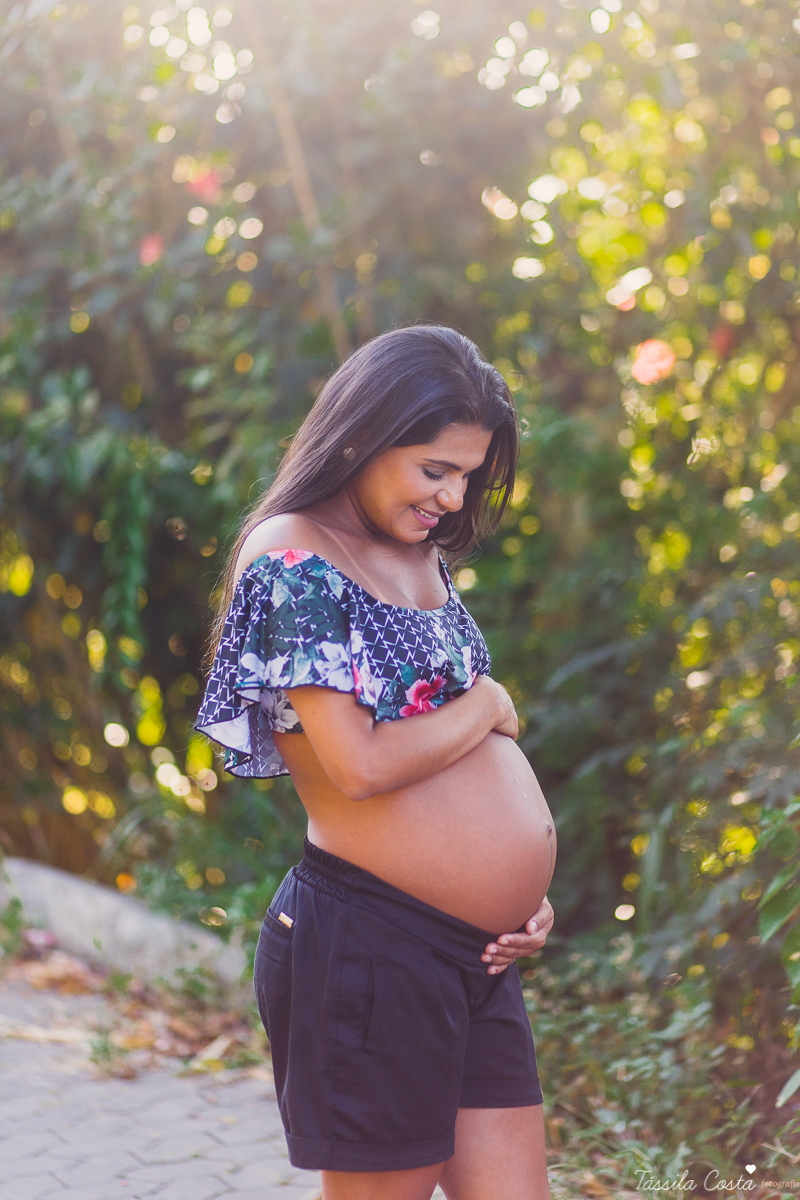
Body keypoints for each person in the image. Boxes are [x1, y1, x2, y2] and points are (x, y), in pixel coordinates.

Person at [195, 325, 556, 1200]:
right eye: (435, 469)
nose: (452, 494)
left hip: (479, 958)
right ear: (361, 435)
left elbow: (451, 762)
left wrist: (518, 888)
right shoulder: (291, 554)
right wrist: (490, 703)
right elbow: (356, 765)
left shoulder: (418, 552)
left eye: (467, 474)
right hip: (372, 946)